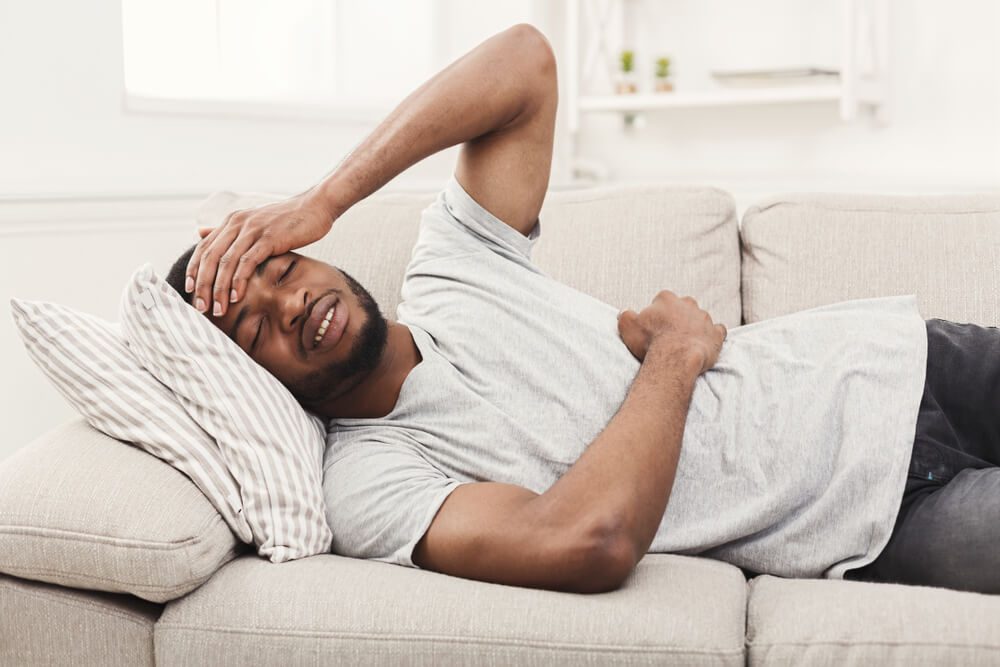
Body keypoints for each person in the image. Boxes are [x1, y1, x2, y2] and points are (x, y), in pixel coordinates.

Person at [168, 25, 1000, 595]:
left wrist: (324, 197)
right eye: (254, 328)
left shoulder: (455, 266)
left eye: (280, 267)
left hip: (907, 360)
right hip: (880, 518)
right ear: (248, 378)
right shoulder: (368, 478)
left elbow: (524, 59)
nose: (291, 303)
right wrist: (674, 355)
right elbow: (589, 541)